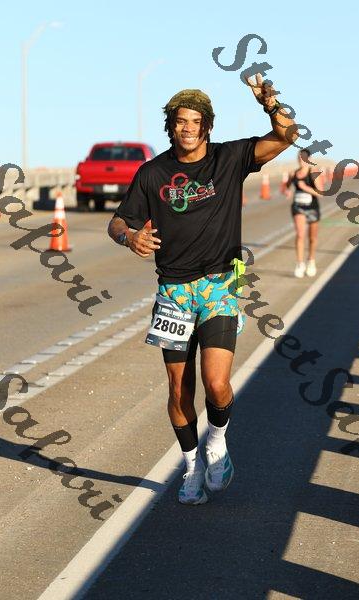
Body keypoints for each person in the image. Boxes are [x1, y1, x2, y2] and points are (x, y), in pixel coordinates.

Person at [108, 75, 297, 505]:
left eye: (196, 121)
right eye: (181, 121)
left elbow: (287, 136)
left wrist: (270, 102)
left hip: (219, 285)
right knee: (179, 391)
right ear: (170, 126)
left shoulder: (229, 159)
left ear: (207, 125)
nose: (188, 128)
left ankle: (217, 438)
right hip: (173, 292)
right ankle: (192, 466)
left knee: (217, 383)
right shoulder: (152, 173)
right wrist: (129, 237)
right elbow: (118, 221)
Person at [286, 149, 323, 278]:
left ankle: (311, 261)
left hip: (312, 208)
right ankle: (300, 263)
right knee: (300, 235)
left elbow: (321, 193)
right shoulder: (293, 173)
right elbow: (287, 187)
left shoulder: (313, 173)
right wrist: (288, 191)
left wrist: (305, 187)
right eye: (299, 157)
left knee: (312, 238)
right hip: (298, 207)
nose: (301, 160)